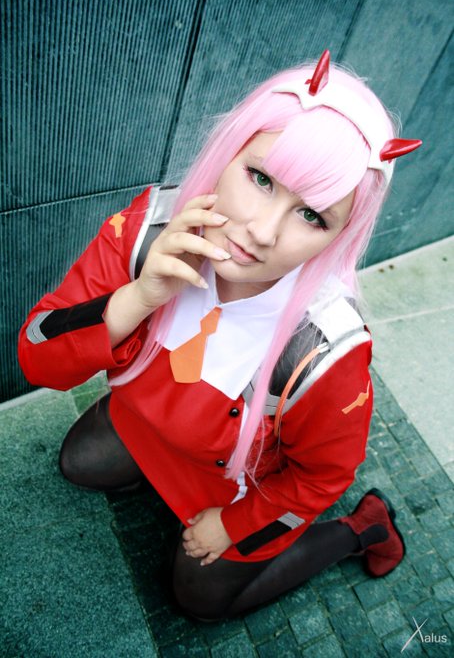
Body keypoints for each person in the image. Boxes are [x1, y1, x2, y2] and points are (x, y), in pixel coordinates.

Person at [19, 50, 421, 621]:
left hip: (240, 486)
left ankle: (361, 530)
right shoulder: (148, 231)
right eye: (260, 178)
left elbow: (324, 474)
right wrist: (139, 297)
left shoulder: (327, 349)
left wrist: (232, 524)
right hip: (145, 423)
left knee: (199, 601)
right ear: (230, 151)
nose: (261, 231)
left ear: (339, 236)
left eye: (312, 215)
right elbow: (37, 358)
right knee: (79, 463)